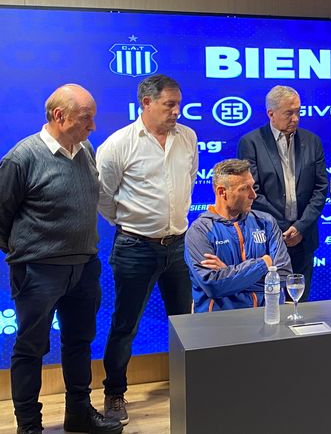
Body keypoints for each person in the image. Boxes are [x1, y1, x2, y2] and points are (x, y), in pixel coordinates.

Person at [0, 85, 122, 434]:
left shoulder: (85, 149)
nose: (93, 126)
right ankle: (29, 425)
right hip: (38, 270)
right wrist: (29, 252)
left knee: (79, 341)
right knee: (31, 348)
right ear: (59, 116)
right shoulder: (21, 158)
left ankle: (79, 415)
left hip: (84, 267)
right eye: (87, 118)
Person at [96, 74, 198, 425]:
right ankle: (114, 393)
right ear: (146, 103)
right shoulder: (119, 144)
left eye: (178, 104)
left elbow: (188, 181)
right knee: (125, 325)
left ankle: (188, 386)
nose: (176, 111)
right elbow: (103, 197)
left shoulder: (188, 137)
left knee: (184, 323)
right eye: (169, 104)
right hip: (134, 246)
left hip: (177, 247)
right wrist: (129, 225)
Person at [237, 86, 327, 301]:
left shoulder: (312, 141)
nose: (295, 118)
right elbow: (253, 193)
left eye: (298, 112)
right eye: (289, 113)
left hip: (303, 238)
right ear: (271, 114)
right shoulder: (251, 143)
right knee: (269, 301)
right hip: (268, 238)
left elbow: (320, 188)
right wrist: (285, 228)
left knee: (299, 302)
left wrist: (300, 227)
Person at [184, 159, 293, 311]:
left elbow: (283, 276)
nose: (253, 195)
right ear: (223, 192)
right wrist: (264, 264)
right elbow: (213, 286)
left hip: (266, 318)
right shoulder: (199, 231)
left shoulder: (266, 222)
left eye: (253, 186)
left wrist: (228, 272)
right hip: (219, 324)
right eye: (245, 189)